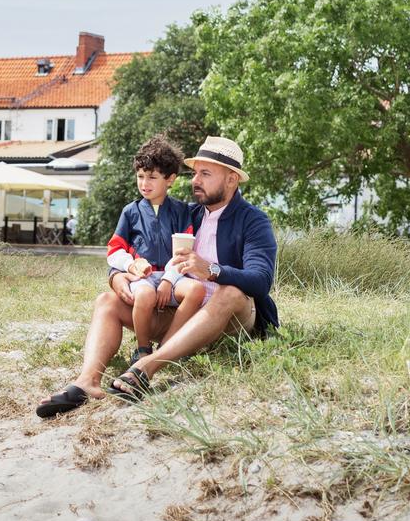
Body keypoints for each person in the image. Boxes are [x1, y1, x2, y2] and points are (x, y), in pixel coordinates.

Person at [36, 136, 278, 417]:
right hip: (181, 315)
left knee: (230, 292)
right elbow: (132, 251)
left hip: (230, 318)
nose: (195, 180)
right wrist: (118, 276)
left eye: (205, 174)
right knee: (107, 301)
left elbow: (261, 281)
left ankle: (146, 367)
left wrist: (212, 271)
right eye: (195, 173)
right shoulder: (187, 214)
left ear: (232, 179)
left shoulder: (253, 220)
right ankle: (87, 382)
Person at [103, 136, 206, 366]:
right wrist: (131, 265)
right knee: (145, 294)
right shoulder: (130, 212)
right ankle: (142, 348)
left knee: (196, 290)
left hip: (174, 276)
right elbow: (114, 249)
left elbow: (183, 253)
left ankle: (168, 347)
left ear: (170, 179)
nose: (144, 183)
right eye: (140, 176)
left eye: (152, 177)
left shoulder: (181, 211)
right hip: (144, 277)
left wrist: (169, 280)